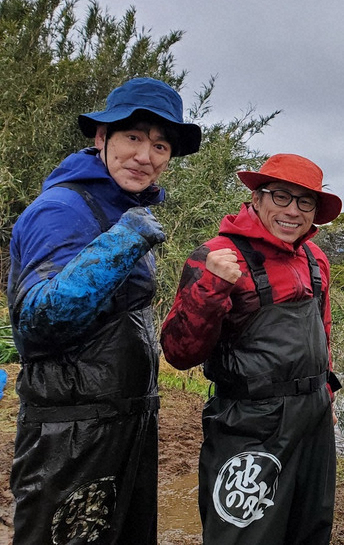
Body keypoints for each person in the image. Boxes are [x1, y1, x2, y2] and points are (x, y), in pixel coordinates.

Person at [6, 77, 202, 544]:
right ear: (101, 139)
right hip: (70, 432)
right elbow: (37, 324)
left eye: (159, 145)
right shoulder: (62, 209)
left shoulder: (121, 210)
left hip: (125, 419)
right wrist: (123, 241)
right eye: (133, 138)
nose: (145, 156)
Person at [159, 153, 342, 544]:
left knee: (310, 529)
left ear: (315, 211)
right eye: (280, 196)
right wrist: (211, 288)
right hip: (248, 422)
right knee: (242, 535)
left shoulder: (316, 259)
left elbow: (322, 332)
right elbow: (178, 352)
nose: (292, 211)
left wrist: (325, 394)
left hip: (313, 418)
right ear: (256, 198)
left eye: (304, 201)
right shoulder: (216, 256)